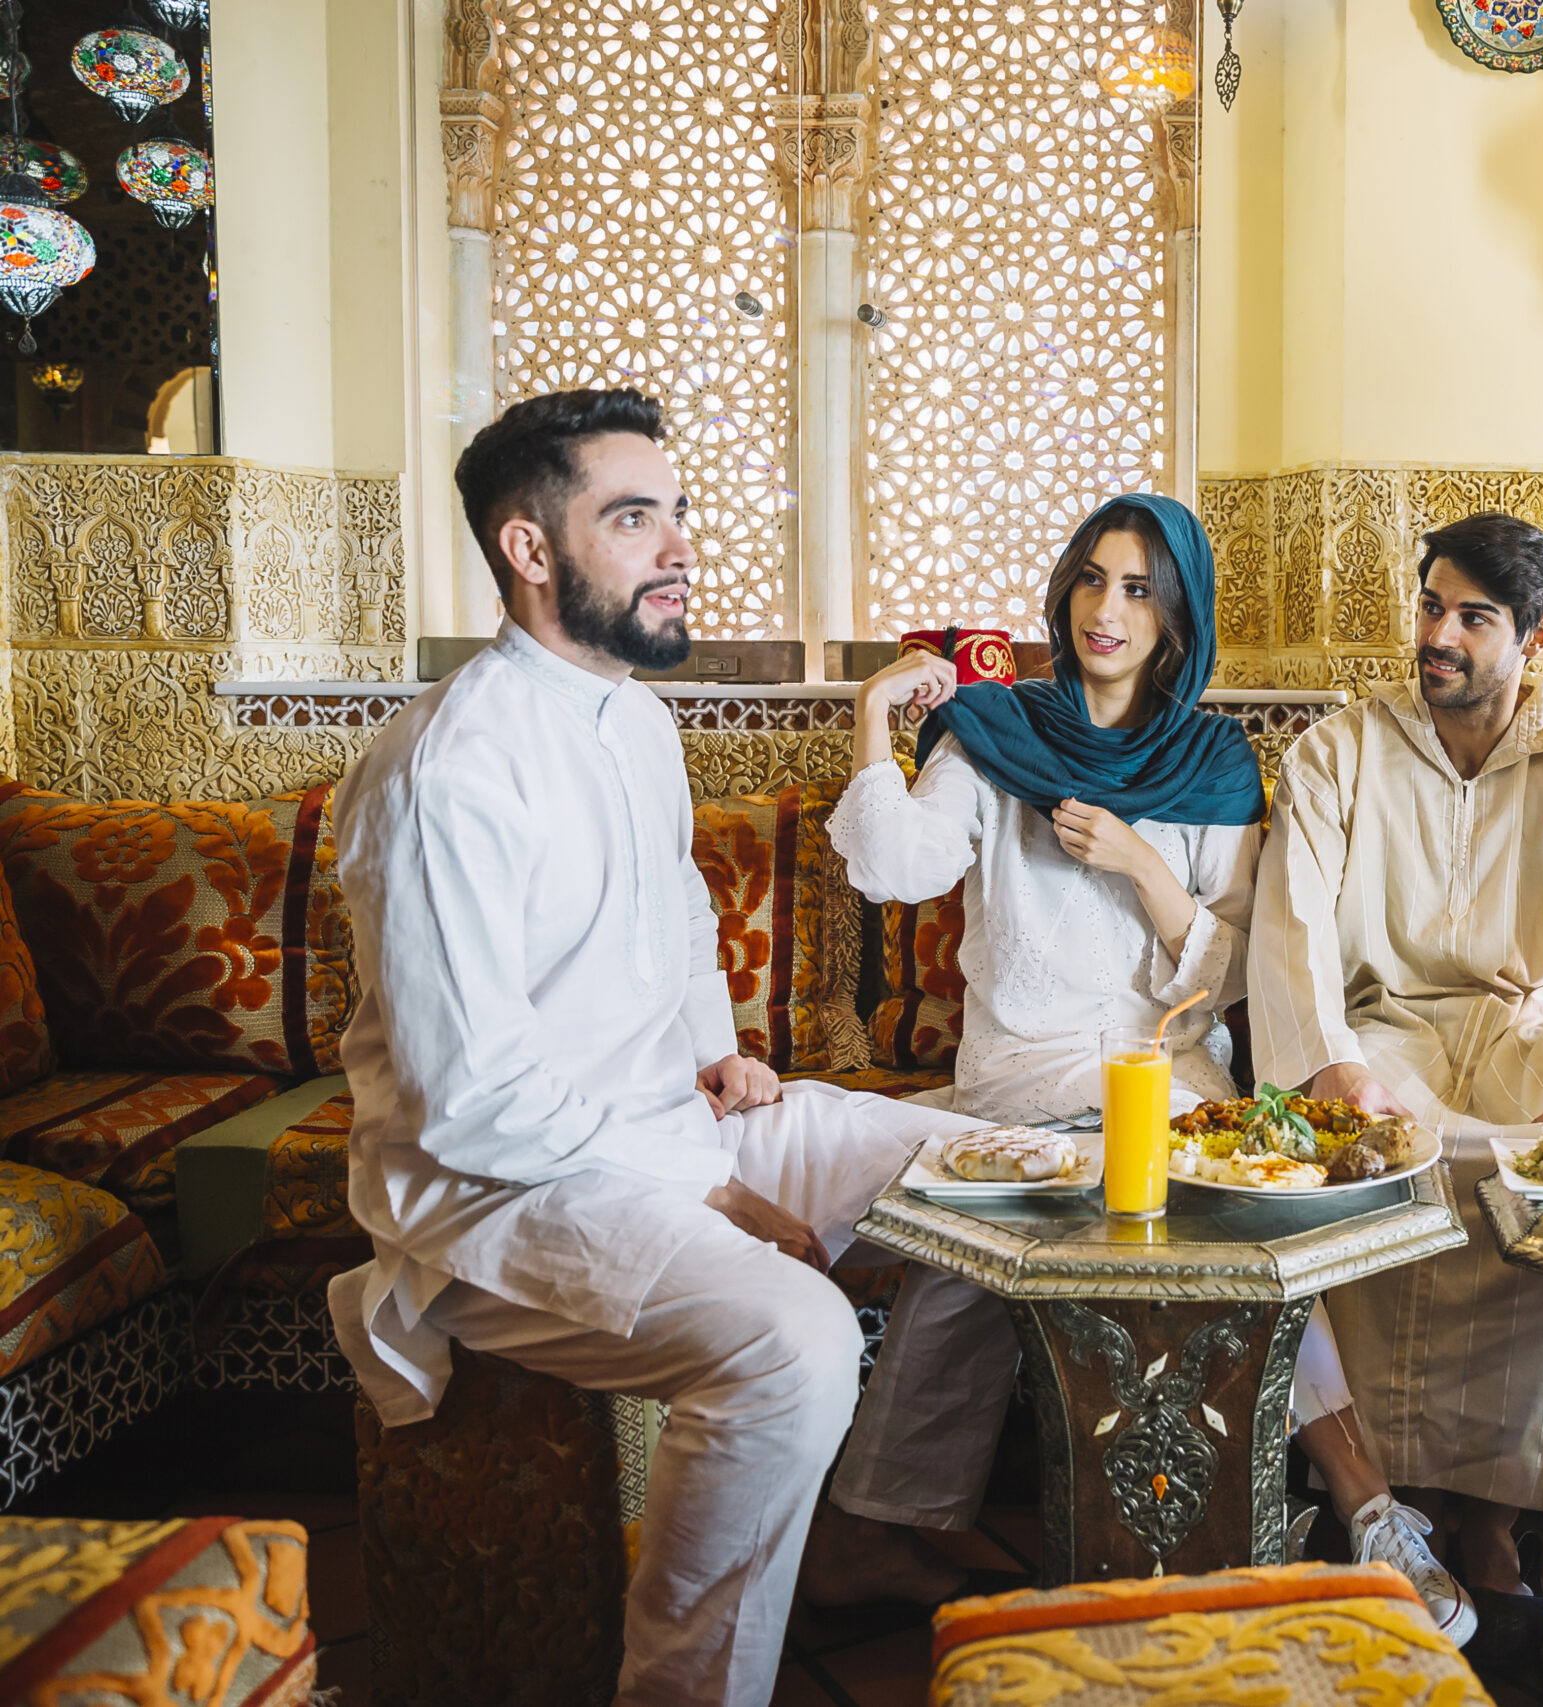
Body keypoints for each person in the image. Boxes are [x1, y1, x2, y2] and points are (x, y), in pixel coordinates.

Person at [324, 388, 982, 1707]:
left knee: (986, 1165)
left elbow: (674, 916)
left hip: (670, 1125)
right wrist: (715, 1193)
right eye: (634, 517)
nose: (679, 543)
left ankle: (863, 1524)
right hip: (499, 1192)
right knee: (792, 1336)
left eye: (678, 511)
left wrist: (717, 1050)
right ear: (528, 547)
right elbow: (471, 1099)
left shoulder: (635, 716)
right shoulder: (445, 766)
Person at [803, 494, 1478, 1646]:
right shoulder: (994, 731)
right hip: (1022, 1068)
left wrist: (1138, 868)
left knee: (1211, 1225)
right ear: (1064, 594)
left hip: (1171, 1073)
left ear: (1177, 621)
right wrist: (876, 710)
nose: (1107, 611)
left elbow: (1235, 965)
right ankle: (908, 1526)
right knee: (1000, 1217)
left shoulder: (1213, 762)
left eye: (1138, 591)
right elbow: (891, 867)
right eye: (1092, 581)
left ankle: (1358, 1511)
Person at [1248, 512, 1543, 1657]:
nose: (1438, 635)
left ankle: (1497, 1516)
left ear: (1537, 634)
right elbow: (1292, 923)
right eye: (1431, 606)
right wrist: (1332, 1065)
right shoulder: (1339, 750)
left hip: (1518, 1024)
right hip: (1378, 1027)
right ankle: (1394, 1502)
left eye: (1471, 618)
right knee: (1384, 1162)